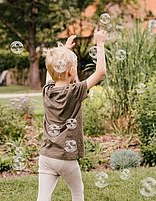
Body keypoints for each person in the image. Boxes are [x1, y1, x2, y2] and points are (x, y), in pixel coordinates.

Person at [37, 30, 107, 201]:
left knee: (43, 198)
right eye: (74, 68)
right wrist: (100, 43)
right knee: (77, 192)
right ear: (70, 71)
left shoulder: (47, 91)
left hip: (46, 155)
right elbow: (100, 73)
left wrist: (64, 51)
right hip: (66, 157)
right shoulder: (74, 91)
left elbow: (50, 73)